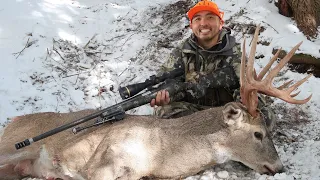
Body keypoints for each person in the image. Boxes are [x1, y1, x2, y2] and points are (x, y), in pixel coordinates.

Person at [150, 0, 275, 130]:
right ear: (191, 26)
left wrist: (245, 102)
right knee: (164, 111)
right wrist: (166, 95)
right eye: (197, 19)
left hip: (227, 114)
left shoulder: (235, 54)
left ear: (221, 23)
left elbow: (247, 87)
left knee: (264, 118)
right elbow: (166, 80)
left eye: (210, 17)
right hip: (192, 114)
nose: (203, 23)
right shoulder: (182, 52)